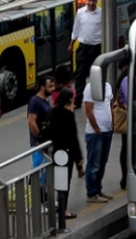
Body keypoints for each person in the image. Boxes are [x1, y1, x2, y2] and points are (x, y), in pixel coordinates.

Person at [48, 88, 84, 234]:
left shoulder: (53, 112)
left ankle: (60, 209)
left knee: (59, 183)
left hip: (56, 153)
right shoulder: (69, 116)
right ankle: (63, 213)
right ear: (69, 100)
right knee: (65, 184)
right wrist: (79, 160)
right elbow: (73, 138)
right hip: (67, 155)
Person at [83, 81, 114, 202]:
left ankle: (98, 188)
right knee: (94, 163)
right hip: (95, 133)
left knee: (102, 162)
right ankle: (91, 193)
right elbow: (88, 110)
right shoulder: (90, 88)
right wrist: (96, 128)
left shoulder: (107, 86)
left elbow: (109, 105)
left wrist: (112, 122)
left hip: (107, 130)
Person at [68, 0, 102, 108]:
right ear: (86, 1)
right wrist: (71, 44)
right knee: (80, 75)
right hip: (83, 48)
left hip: (97, 48)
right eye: (89, 0)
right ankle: (78, 101)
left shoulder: (101, 13)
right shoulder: (80, 12)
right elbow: (76, 29)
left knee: (96, 74)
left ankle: (97, 99)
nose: (91, 3)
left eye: (93, 0)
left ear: (96, 1)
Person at [27, 75, 54, 192]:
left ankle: (44, 200)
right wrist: (40, 137)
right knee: (39, 175)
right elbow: (31, 121)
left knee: (44, 175)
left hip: (45, 144)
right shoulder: (35, 102)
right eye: (50, 86)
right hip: (38, 145)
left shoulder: (46, 100)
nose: (52, 89)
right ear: (42, 87)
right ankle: (38, 200)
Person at [114, 65, 129, 189]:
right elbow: (129, 99)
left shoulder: (125, 79)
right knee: (126, 148)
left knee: (125, 148)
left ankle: (125, 177)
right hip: (128, 118)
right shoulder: (126, 80)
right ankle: (125, 178)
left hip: (128, 117)